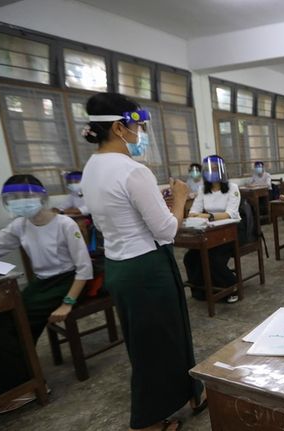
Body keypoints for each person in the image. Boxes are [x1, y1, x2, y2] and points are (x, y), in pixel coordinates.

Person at [79, 92, 204, 431]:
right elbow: (166, 231)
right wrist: (179, 199)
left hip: (119, 265)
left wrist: (157, 203)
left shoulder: (91, 168)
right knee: (159, 344)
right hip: (147, 267)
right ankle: (147, 421)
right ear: (119, 128)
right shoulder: (133, 171)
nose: (141, 134)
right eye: (138, 126)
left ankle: (191, 390)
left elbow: (117, 213)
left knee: (152, 340)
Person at [0, 175, 92, 414]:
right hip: (42, 284)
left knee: (12, 321)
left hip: (68, 282)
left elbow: (84, 268)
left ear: (41, 197)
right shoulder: (20, 225)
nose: (20, 203)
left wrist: (68, 303)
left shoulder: (65, 224)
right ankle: (19, 378)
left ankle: (26, 386)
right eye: (13, 199)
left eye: (26, 197)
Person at [184, 155, 241, 303]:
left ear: (223, 170)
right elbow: (192, 212)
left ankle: (230, 287)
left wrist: (207, 216)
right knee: (190, 258)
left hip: (230, 232)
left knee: (212, 258)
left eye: (216, 169)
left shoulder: (232, 188)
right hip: (209, 232)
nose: (212, 172)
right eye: (209, 169)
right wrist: (202, 216)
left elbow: (230, 213)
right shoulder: (203, 189)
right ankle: (202, 290)